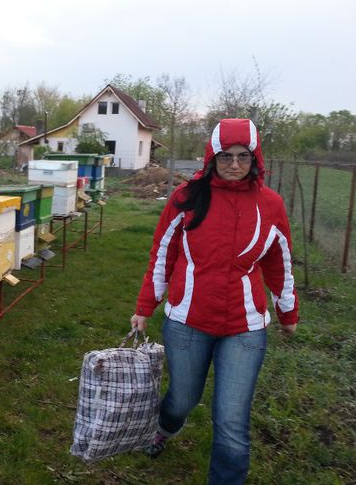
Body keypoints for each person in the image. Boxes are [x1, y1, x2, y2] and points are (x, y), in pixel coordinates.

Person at [131, 118, 299, 484]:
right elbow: (163, 253)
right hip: (187, 323)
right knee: (181, 400)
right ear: (212, 158)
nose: (235, 165)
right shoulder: (186, 198)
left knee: (231, 420)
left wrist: (287, 311)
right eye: (226, 157)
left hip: (245, 328)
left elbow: (279, 260)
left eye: (243, 157)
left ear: (255, 160)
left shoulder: (270, 205)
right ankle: (164, 427)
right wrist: (146, 306)